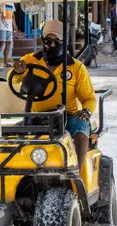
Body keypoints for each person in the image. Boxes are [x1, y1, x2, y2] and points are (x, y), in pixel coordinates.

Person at [9, 19, 96, 168]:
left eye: (57, 41)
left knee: (80, 130)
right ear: (43, 40)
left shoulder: (76, 67)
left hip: (67, 117)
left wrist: (86, 111)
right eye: (49, 41)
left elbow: (89, 98)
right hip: (36, 116)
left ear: (64, 41)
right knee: (8, 136)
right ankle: (13, 173)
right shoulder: (30, 61)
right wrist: (18, 71)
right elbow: (13, 78)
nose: (53, 45)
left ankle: (76, 175)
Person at [0, 2, 17, 67]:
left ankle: (5, 62)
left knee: (8, 43)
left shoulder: (11, 3)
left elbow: (12, 15)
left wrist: (15, 25)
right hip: (1, 25)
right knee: (1, 42)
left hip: (9, 26)